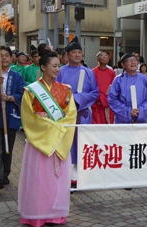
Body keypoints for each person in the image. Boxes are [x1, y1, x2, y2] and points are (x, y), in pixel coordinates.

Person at [18, 48, 77, 227]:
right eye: (54, 66)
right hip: (40, 142)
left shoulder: (66, 91)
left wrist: (52, 125)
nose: (57, 69)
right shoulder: (31, 91)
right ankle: (37, 214)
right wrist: (53, 127)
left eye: (59, 66)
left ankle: (55, 214)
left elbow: (71, 114)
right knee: (39, 179)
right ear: (43, 67)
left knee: (56, 179)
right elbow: (29, 117)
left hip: (58, 140)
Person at [56, 36, 99, 187]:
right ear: (67, 55)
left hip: (82, 114)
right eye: (73, 52)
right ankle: (67, 176)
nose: (77, 55)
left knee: (81, 144)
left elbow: (95, 93)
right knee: (67, 144)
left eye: (79, 52)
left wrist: (78, 99)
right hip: (65, 115)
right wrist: (69, 100)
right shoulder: (60, 72)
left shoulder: (88, 72)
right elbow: (55, 91)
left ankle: (80, 176)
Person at [0, 46, 26, 189]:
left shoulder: (17, 76)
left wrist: (9, 98)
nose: (4, 58)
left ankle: (5, 173)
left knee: (7, 147)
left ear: (11, 57)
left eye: (6, 55)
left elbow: (22, 94)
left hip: (11, 116)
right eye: (1, 55)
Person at [108, 52, 147, 124]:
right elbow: (112, 99)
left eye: (134, 60)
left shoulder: (145, 79)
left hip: (140, 119)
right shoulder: (118, 80)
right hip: (123, 121)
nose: (133, 62)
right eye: (129, 61)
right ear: (123, 65)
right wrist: (128, 111)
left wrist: (141, 110)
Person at [92, 50, 116, 124]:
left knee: (109, 122)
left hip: (108, 100)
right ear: (97, 59)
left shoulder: (112, 72)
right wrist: (100, 97)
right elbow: (92, 87)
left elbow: (114, 86)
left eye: (106, 56)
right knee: (98, 123)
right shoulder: (93, 72)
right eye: (101, 55)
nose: (104, 57)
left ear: (109, 58)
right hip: (97, 102)